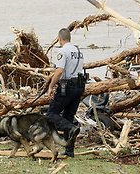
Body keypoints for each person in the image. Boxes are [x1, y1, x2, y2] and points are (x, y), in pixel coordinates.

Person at [47, 28, 85, 157]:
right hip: (80, 85)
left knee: (51, 114)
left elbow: (59, 71)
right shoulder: (78, 51)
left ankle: (71, 128)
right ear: (70, 38)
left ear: (59, 38)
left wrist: (51, 86)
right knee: (68, 116)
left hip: (67, 86)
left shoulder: (63, 51)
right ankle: (69, 151)